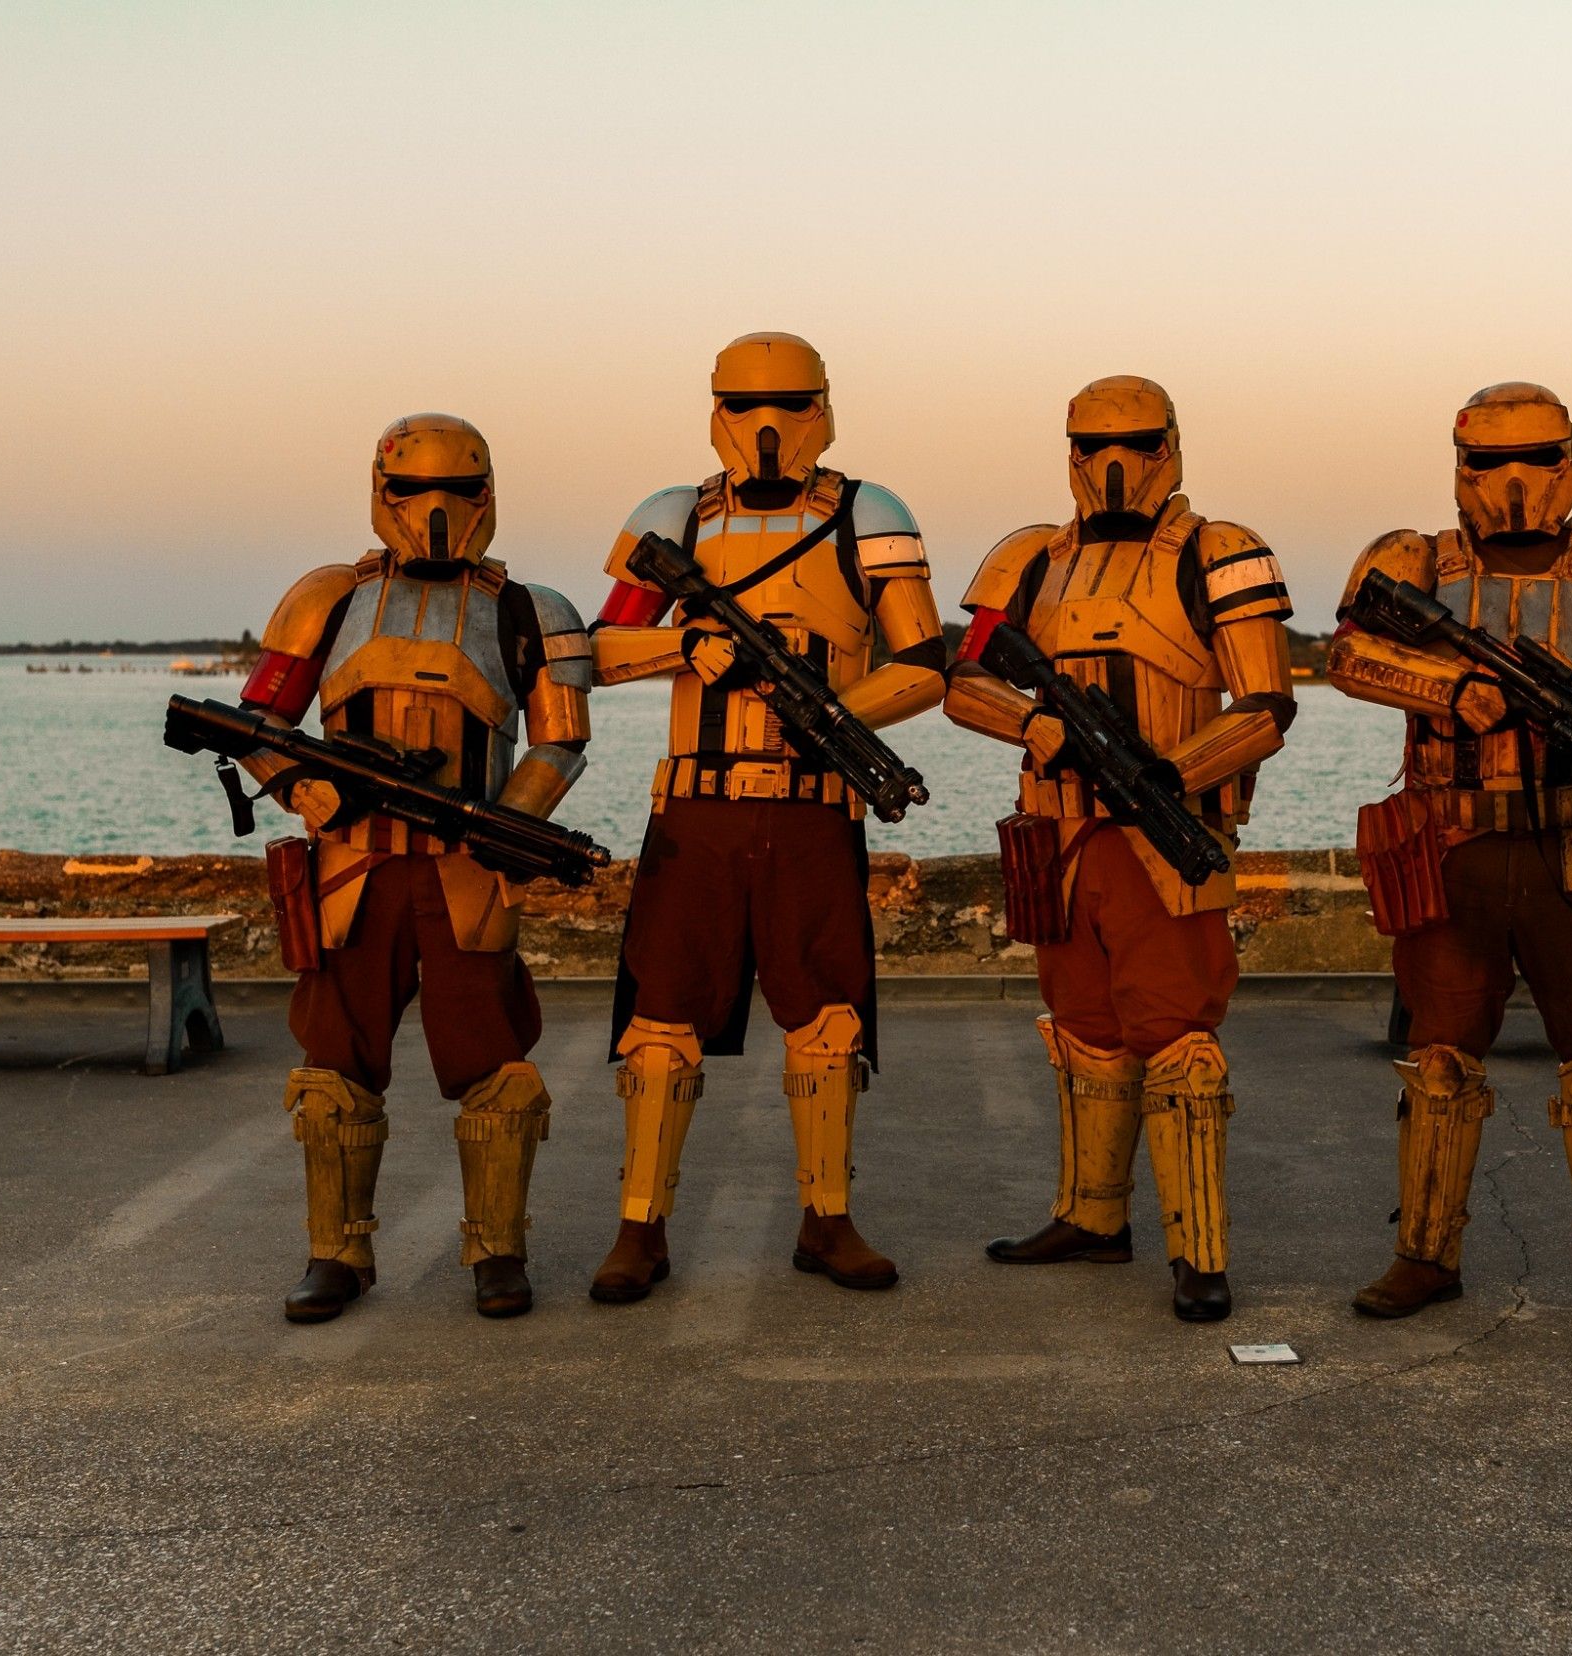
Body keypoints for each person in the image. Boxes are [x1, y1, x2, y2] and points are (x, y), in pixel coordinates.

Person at [1327, 382, 1572, 1334]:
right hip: (1449, 840)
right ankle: (1424, 1251)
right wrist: (1451, 687)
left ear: (1569, 458)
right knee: (1440, 1060)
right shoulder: (1413, 562)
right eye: (1490, 462)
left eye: (1537, 459)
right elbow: (1349, 657)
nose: (1513, 483)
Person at [587, 332, 946, 1301]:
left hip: (812, 805)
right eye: (747, 404)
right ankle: (640, 1228)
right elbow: (599, 648)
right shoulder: (674, 518)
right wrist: (684, 650)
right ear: (715, 410)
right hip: (696, 806)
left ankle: (827, 1219)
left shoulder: (872, 513)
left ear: (822, 406)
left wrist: (832, 716)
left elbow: (922, 666)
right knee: (659, 1026)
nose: (768, 425)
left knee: (828, 1025)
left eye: (789, 401)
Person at [944, 376, 1296, 1322]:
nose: (1114, 464)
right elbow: (962, 679)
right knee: (1085, 1029)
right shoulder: (1027, 559)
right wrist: (1030, 724)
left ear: (1170, 445)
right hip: (1058, 831)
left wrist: (1172, 777)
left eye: (1138, 442)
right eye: (1095, 442)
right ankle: (1093, 1217)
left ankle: (1201, 1249)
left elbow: (1265, 705)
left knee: (1177, 1032)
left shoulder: (1223, 553)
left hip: (1163, 835)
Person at [239, 413, 592, 1322]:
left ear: (487, 496)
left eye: (459, 491)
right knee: (333, 1069)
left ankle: (497, 1251)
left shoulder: (530, 609)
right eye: (413, 490)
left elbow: (559, 743)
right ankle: (336, 1253)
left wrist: (505, 827)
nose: (436, 511)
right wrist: (300, 789)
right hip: (354, 867)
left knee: (497, 1070)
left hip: (466, 869)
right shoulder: (328, 597)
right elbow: (260, 725)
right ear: (381, 492)